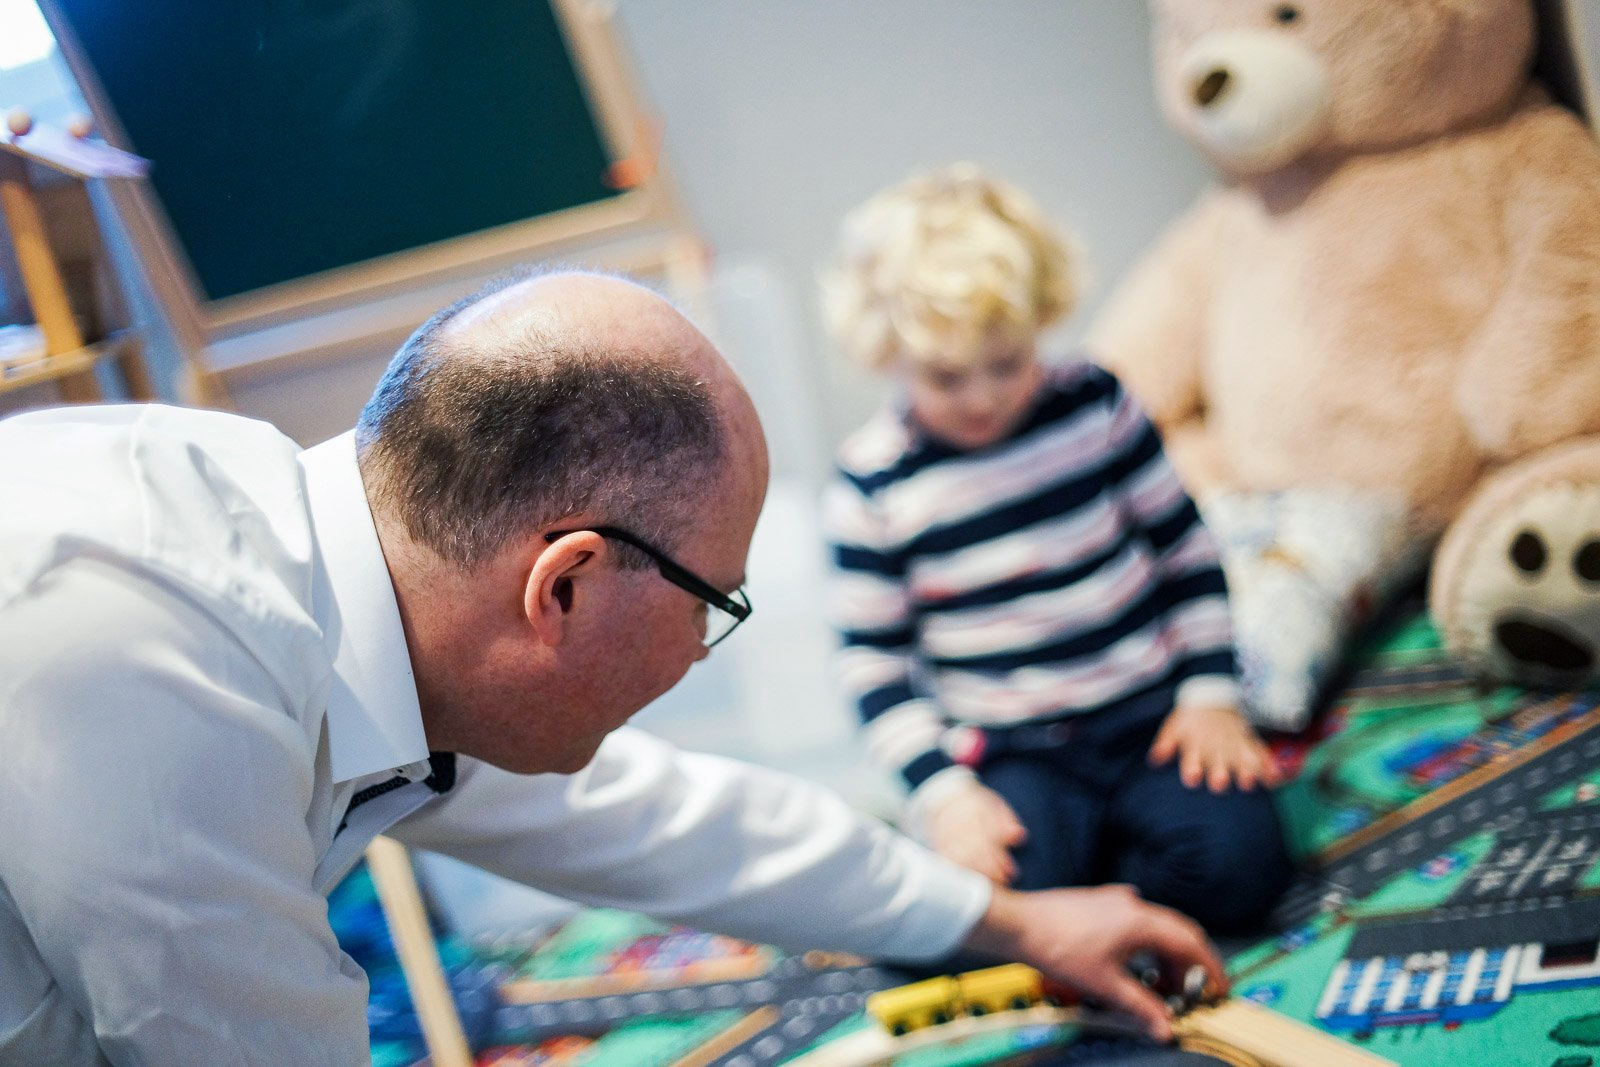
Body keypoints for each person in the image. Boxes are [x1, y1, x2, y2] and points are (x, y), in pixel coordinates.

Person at [0, 267, 1225, 1064]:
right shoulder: (139, 646)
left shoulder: (376, 590)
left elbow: (654, 817)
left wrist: (1007, 917)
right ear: (566, 583)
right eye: (712, 600)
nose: (702, 649)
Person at [820, 166, 1294, 933]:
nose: (984, 397)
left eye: (1007, 364)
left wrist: (1211, 697)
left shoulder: (1096, 404)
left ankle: (1100, 889)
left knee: (1247, 868)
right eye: (947, 377)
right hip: (1011, 749)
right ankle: (1078, 887)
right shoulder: (872, 483)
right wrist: (946, 794)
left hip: (1153, 719)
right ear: (886, 354)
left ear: (1042, 318)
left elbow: (1190, 557)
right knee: (984, 903)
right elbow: (874, 668)